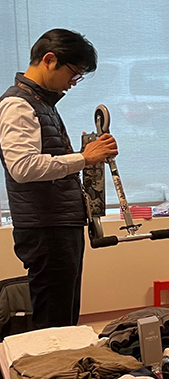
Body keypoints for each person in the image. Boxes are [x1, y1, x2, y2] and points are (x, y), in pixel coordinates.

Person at [0, 29, 118, 330]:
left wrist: (86, 153)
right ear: (49, 60)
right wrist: (84, 158)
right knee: (53, 324)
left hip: (57, 223)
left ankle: (59, 374)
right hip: (45, 227)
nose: (73, 83)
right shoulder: (18, 105)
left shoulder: (42, 103)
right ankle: (50, 377)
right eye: (74, 74)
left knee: (63, 317)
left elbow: (44, 161)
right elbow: (23, 167)